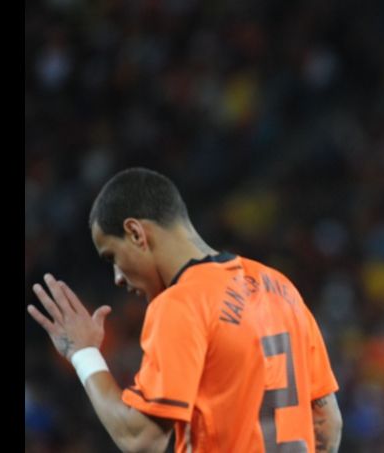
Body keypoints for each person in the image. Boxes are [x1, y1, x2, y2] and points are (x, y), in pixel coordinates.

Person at [27, 167, 342, 453]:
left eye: (112, 257)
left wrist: (84, 354)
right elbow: (328, 424)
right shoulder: (279, 286)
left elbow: (141, 438)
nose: (118, 278)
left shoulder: (181, 303)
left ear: (136, 233)